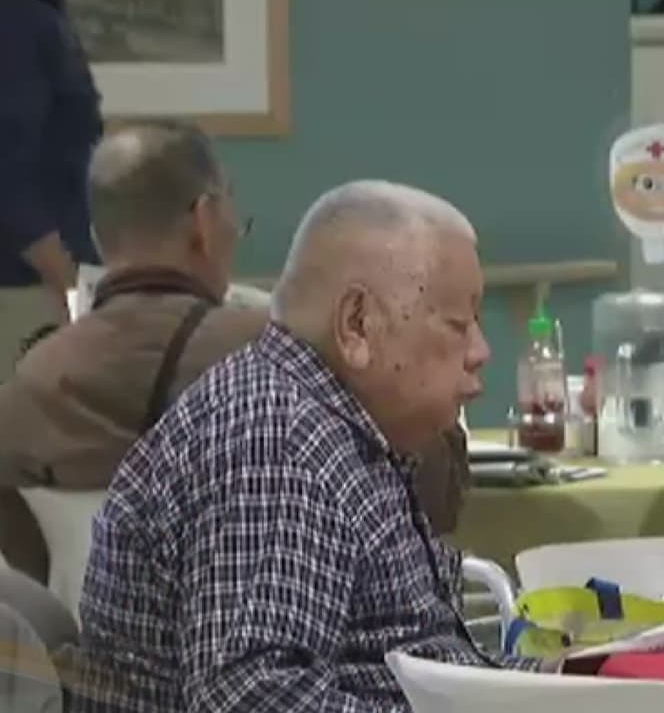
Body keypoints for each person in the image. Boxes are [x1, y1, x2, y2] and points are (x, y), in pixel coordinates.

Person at [70, 180, 545, 712]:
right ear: (357, 324)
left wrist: (574, 682)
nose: (480, 351)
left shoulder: (337, 425)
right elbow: (249, 696)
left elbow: (428, 659)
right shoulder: (278, 440)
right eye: (459, 324)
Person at [0, 121, 473, 584]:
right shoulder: (287, 356)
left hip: (86, 634)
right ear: (204, 221)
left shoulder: (29, 386)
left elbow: (22, 578)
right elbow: (433, 497)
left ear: (100, 236)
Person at [0, 0, 104, 368]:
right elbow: (8, 171)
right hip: (32, 288)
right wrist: (70, 284)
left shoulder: (36, 15)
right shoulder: (17, 19)